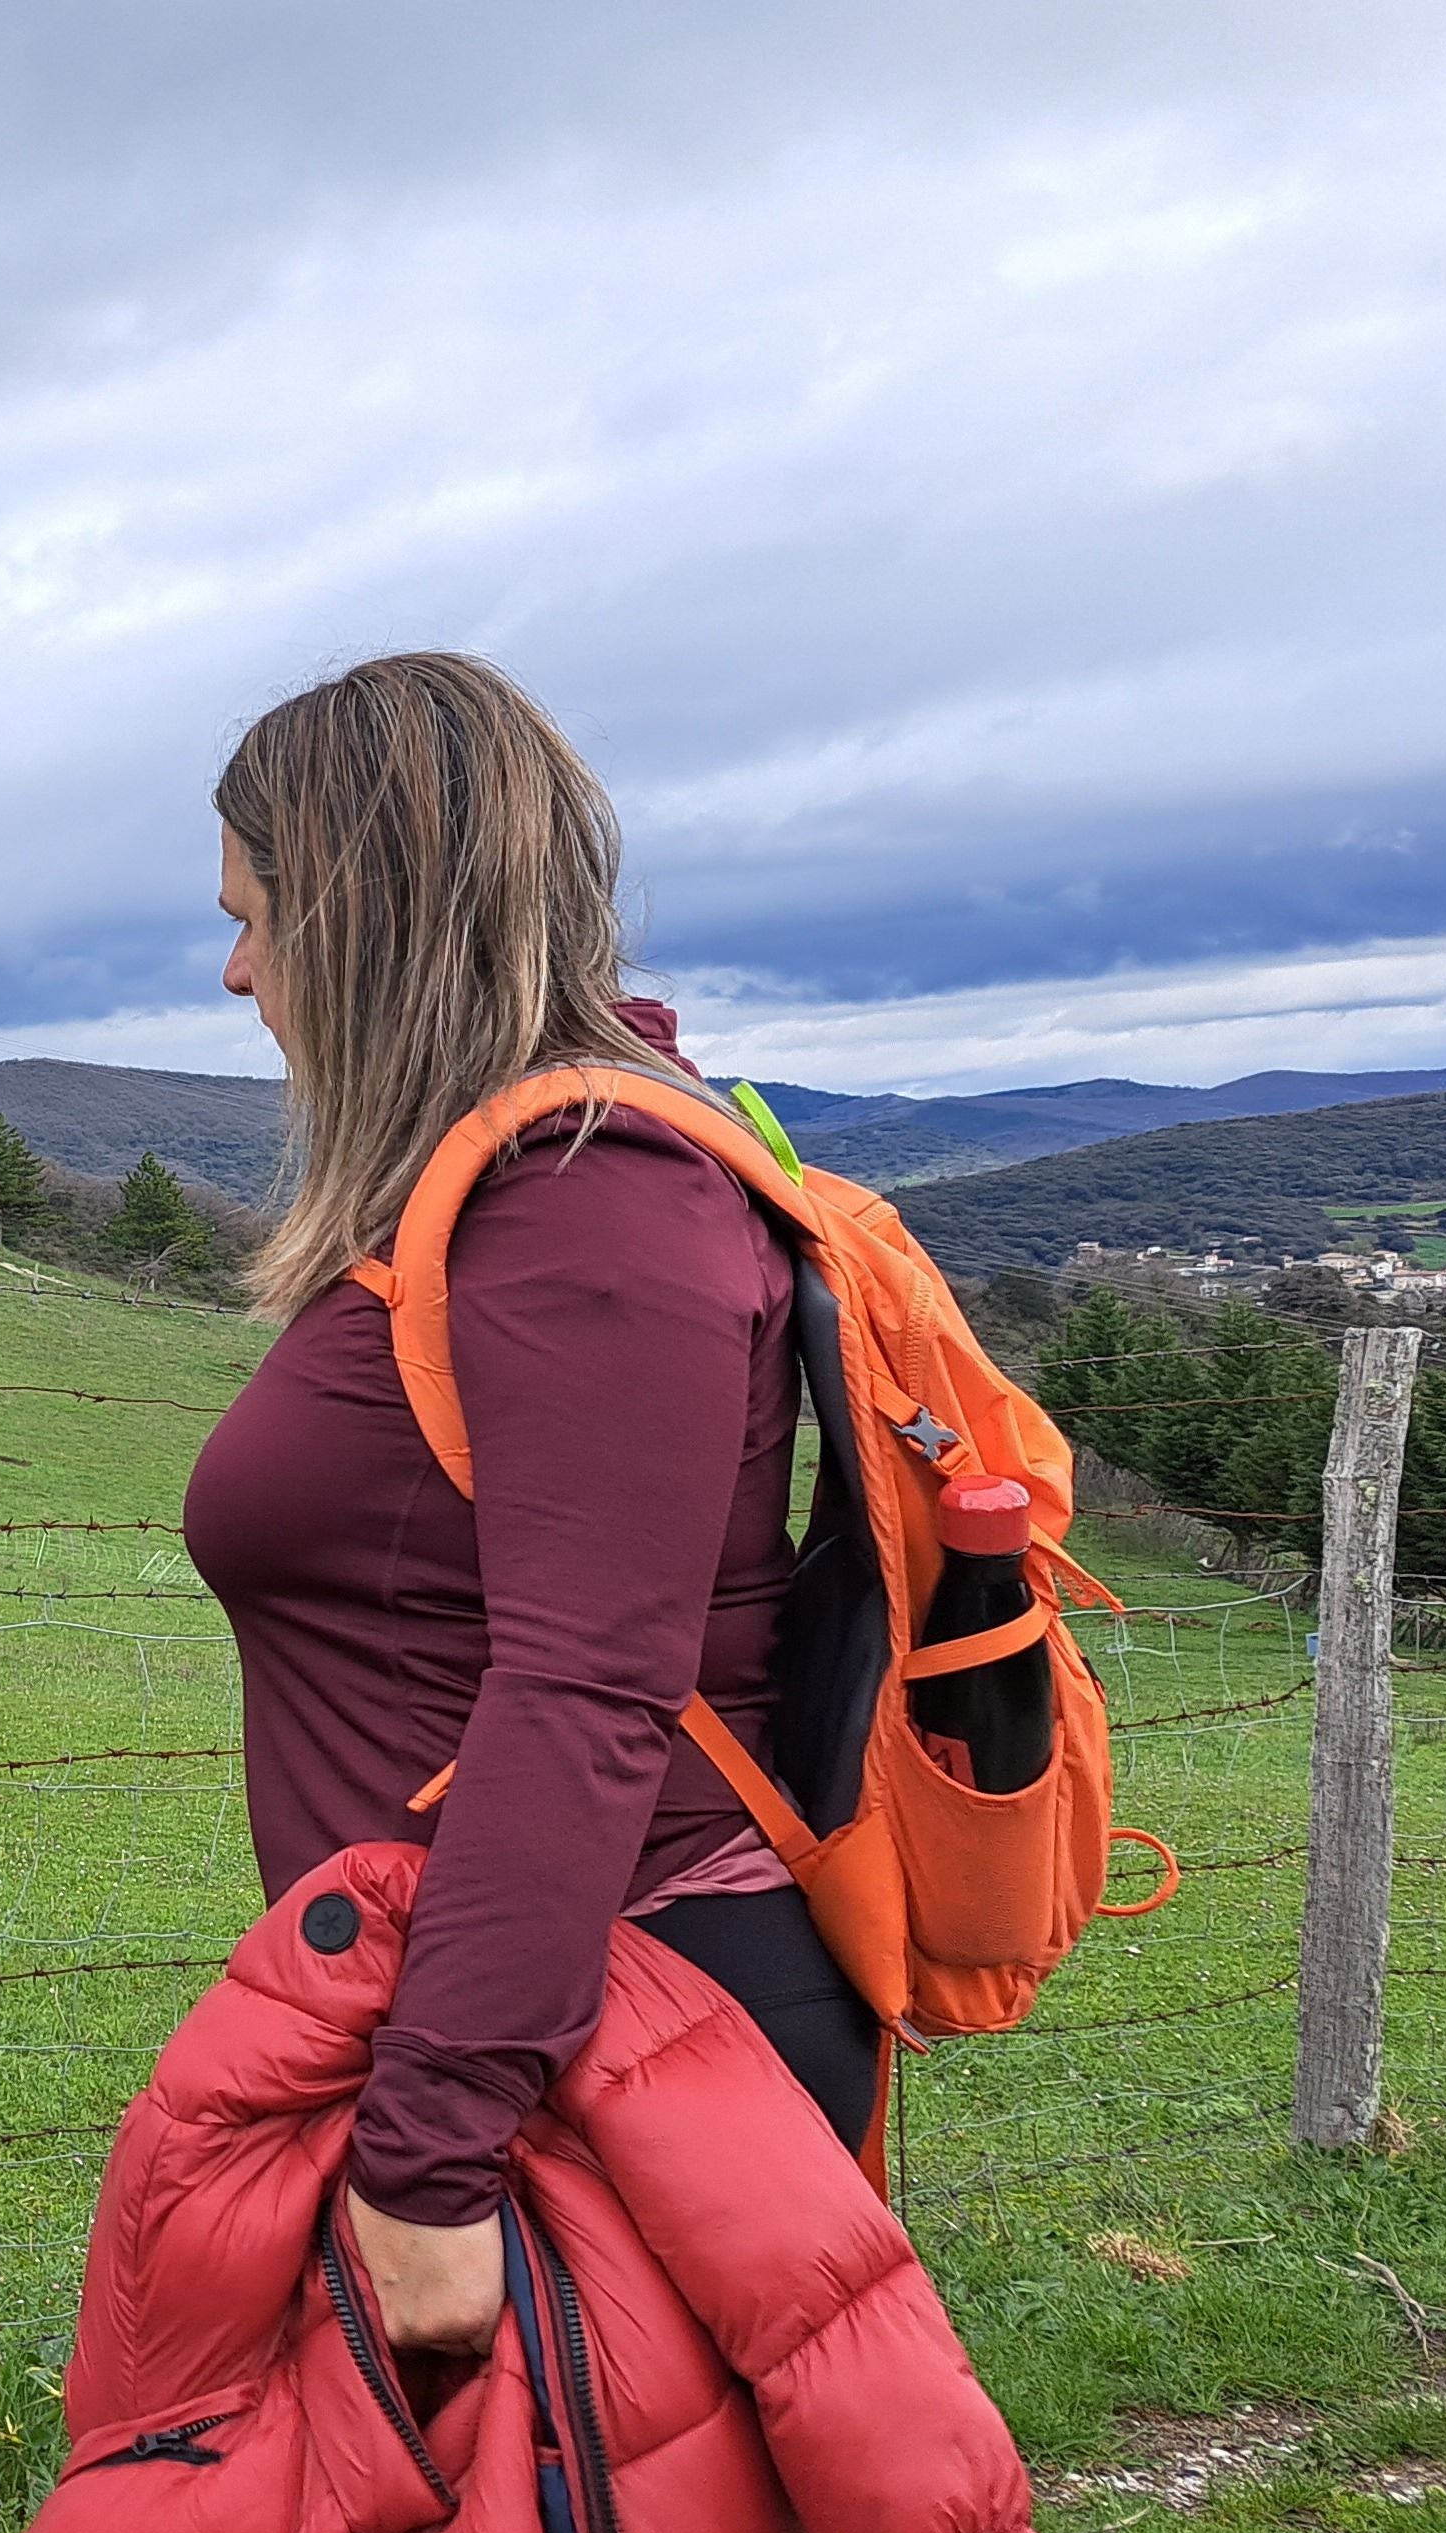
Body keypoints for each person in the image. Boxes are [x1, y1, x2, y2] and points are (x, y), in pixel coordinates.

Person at [182, 650, 885, 2356]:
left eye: (258, 916)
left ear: (369, 921)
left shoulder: (591, 1206)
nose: (236, 971)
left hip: (607, 2044)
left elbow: (588, 1689)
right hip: (510, 2031)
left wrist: (430, 2163)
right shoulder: (485, 1190)